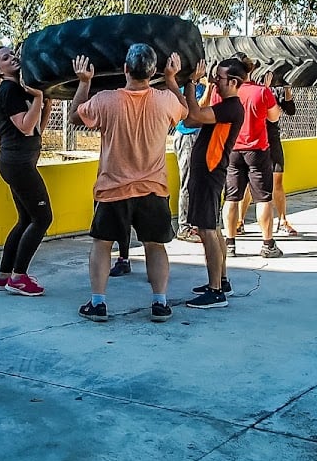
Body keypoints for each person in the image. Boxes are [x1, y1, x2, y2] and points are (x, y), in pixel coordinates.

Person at [70, 45, 186, 323]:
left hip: (113, 190)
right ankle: (160, 303)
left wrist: (84, 82)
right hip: (153, 189)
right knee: (155, 245)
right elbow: (185, 111)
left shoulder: (106, 100)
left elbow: (75, 117)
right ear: (153, 72)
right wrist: (171, 78)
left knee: (101, 244)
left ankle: (98, 304)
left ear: (125, 69)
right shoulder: (165, 101)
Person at [0, 45, 53, 296]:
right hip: (18, 163)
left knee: (26, 219)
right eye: (6, 58)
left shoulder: (20, 89)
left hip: (19, 161)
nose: (13, 58)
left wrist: (45, 103)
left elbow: (36, 129)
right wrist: (39, 100)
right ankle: (18, 277)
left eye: (13, 53)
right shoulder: (9, 90)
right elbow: (23, 126)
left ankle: (2, 277)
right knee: (42, 218)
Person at [180, 59, 246, 309]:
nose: (214, 80)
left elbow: (195, 114)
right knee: (213, 229)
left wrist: (190, 82)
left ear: (233, 82)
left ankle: (216, 291)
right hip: (207, 173)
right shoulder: (223, 106)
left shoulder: (231, 107)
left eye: (219, 78)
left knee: (207, 231)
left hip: (209, 174)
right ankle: (221, 280)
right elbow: (190, 121)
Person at [221, 65, 282, 258]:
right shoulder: (261, 91)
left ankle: (229, 243)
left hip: (232, 148)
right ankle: (267, 244)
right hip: (257, 149)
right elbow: (274, 117)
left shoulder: (224, 91)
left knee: (231, 197)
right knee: (263, 198)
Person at [172, 81, 207, 242]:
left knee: (197, 183)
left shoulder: (201, 87)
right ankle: (183, 227)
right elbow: (197, 109)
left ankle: (194, 223)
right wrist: (211, 89)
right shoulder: (185, 87)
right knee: (187, 182)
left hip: (199, 136)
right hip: (187, 136)